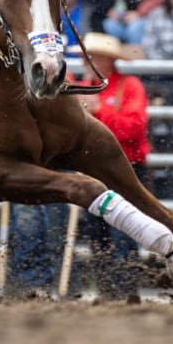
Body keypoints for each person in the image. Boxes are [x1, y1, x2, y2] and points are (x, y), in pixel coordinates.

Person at [70, 32, 151, 300]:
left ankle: (125, 290)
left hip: (125, 171)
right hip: (94, 170)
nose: (86, 60)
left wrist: (98, 111)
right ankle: (108, 289)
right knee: (97, 235)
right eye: (85, 56)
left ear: (107, 60)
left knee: (123, 235)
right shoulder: (79, 87)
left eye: (92, 56)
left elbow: (134, 128)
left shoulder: (128, 86)